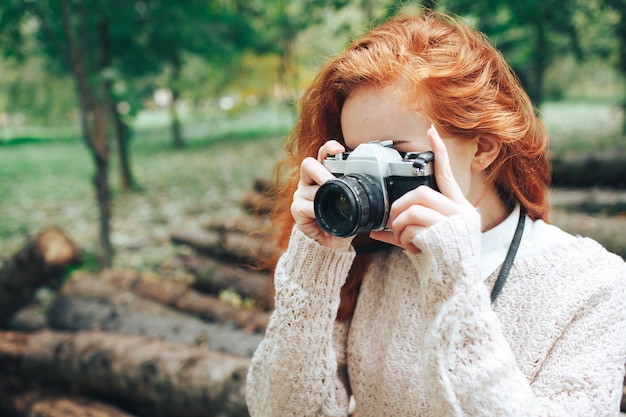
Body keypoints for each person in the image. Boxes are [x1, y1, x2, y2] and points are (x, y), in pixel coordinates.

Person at [245, 10, 626, 417]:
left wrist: (455, 279)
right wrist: (315, 263)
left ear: (483, 148)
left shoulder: (594, 286)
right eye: (358, 158)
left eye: (401, 156)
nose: (371, 182)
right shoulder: (369, 262)